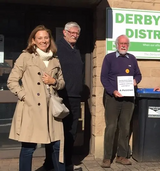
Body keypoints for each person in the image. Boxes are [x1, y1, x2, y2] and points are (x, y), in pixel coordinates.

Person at [7, 25, 66, 171]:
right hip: (31, 109)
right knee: (28, 148)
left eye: (46, 37)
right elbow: (12, 81)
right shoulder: (25, 57)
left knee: (57, 145)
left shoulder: (55, 60)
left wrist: (54, 82)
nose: (44, 40)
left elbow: (62, 83)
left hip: (51, 110)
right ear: (33, 40)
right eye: (40, 38)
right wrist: (25, 97)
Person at [43, 21, 83, 171]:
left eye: (77, 33)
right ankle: (50, 163)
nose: (74, 35)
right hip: (60, 96)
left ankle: (66, 162)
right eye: (71, 32)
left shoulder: (76, 49)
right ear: (64, 33)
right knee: (56, 132)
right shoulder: (56, 47)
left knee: (71, 132)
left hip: (74, 97)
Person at [100, 34, 142, 168]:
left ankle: (121, 156)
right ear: (117, 45)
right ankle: (107, 158)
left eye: (126, 44)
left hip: (129, 99)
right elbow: (104, 78)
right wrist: (113, 91)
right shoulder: (109, 58)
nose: (123, 45)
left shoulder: (132, 58)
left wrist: (136, 80)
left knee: (125, 127)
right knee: (111, 127)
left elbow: (138, 74)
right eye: (121, 43)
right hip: (113, 98)